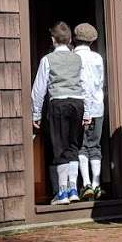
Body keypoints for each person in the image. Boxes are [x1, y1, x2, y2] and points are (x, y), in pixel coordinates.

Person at [30, 21, 85, 205]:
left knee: (60, 146)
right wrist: (89, 111)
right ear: (70, 39)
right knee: (73, 146)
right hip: (77, 103)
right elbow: (85, 84)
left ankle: (62, 192)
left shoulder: (47, 59)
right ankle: (73, 189)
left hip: (59, 103)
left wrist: (36, 114)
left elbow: (39, 89)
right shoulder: (78, 59)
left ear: (53, 39)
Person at [73, 23, 105, 198]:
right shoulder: (98, 58)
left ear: (75, 39)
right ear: (93, 40)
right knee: (95, 145)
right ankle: (97, 183)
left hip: (80, 107)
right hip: (97, 106)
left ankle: (86, 184)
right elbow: (99, 82)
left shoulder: (72, 57)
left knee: (81, 146)